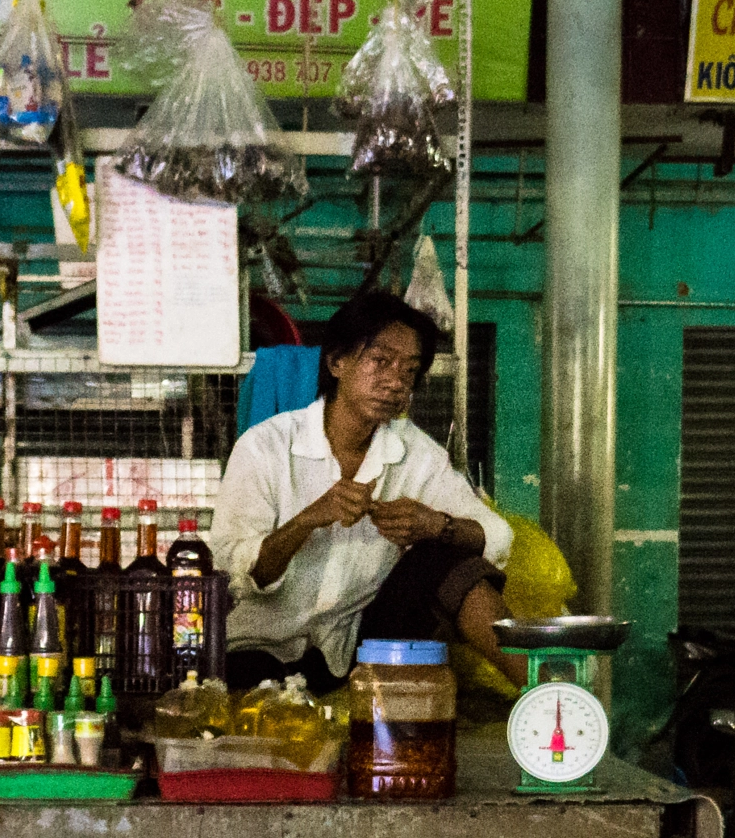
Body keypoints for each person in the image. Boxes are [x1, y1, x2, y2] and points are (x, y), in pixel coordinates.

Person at [210, 287, 527, 695]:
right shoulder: (265, 446)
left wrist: (436, 524)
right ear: (338, 362)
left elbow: (498, 536)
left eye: (409, 370)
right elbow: (235, 573)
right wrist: (307, 521)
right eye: (381, 361)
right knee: (254, 709)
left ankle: (548, 695)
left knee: (442, 556)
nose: (396, 382)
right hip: (258, 647)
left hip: (358, 653)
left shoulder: (415, 453)